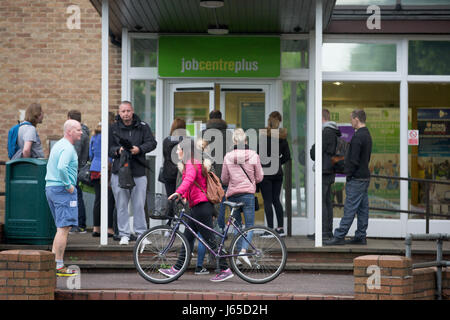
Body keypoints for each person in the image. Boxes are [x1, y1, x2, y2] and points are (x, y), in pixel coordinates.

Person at [161, 138, 234, 282]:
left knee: (210, 240)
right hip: (197, 206)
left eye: (178, 149)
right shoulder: (192, 161)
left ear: (185, 150)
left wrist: (178, 192)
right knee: (187, 239)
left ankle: (225, 269)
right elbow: (194, 183)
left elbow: (189, 179)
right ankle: (177, 268)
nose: (176, 151)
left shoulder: (192, 162)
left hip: (201, 207)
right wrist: (185, 197)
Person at [109, 101, 157, 245]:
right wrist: (118, 151)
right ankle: (124, 234)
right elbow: (108, 147)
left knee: (139, 204)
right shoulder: (113, 128)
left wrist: (139, 149)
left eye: (128, 111)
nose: (126, 114)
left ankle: (141, 234)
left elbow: (152, 143)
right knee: (122, 204)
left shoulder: (142, 126)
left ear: (133, 111)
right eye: (123, 111)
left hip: (138, 171)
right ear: (119, 112)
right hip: (120, 170)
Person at [325, 109, 372, 246]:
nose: (351, 121)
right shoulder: (367, 134)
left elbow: (354, 160)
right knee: (363, 208)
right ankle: (361, 235)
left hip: (356, 178)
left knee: (350, 207)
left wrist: (347, 172)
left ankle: (339, 236)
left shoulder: (358, 137)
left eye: (351, 119)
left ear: (357, 119)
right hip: (364, 176)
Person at [45, 119, 82, 277]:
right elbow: (61, 167)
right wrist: (68, 185)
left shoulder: (58, 145)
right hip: (62, 190)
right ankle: (58, 266)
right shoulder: (67, 148)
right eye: (79, 129)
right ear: (70, 131)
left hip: (51, 188)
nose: (81, 132)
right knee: (63, 228)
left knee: (61, 228)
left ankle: (53, 265)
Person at [221, 128, 264, 264]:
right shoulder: (253, 156)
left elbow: (224, 179)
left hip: (233, 194)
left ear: (234, 141)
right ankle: (243, 252)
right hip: (248, 195)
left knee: (237, 226)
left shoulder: (228, 156)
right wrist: (251, 181)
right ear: (245, 140)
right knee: (250, 225)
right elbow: (260, 177)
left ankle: (238, 256)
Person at [308, 109, 342, 241]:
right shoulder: (333, 132)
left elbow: (314, 152)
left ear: (322, 118)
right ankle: (327, 230)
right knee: (327, 201)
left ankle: (323, 232)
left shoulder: (326, 132)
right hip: (330, 170)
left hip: (324, 171)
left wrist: (313, 147)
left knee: (323, 202)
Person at [258, 111, 291, 236]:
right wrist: (277, 162)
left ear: (269, 121)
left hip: (265, 172)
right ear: (279, 122)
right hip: (277, 173)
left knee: (267, 201)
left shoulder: (263, 135)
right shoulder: (282, 137)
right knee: (276, 200)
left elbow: (259, 154)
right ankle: (281, 228)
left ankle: (270, 230)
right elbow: (287, 156)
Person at [202, 110, 233, 234]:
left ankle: (215, 231)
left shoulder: (204, 133)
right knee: (226, 202)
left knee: (213, 202)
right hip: (226, 171)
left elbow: (200, 153)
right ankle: (226, 229)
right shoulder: (228, 134)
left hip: (210, 172)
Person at [89, 121, 115, 237]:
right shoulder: (109, 137)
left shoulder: (94, 137)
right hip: (107, 168)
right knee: (109, 199)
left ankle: (96, 228)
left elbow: (90, 154)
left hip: (94, 168)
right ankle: (109, 228)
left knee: (98, 199)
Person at [67, 110, 90, 234]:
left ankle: (78, 225)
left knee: (75, 198)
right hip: (81, 169)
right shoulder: (85, 132)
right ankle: (80, 225)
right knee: (77, 197)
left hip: (75, 170)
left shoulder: (79, 135)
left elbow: (74, 154)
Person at [161, 118, 186, 226]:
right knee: (183, 199)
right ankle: (182, 221)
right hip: (181, 173)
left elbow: (165, 156)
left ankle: (169, 223)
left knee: (171, 198)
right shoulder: (186, 140)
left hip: (168, 173)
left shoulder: (166, 140)